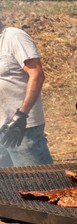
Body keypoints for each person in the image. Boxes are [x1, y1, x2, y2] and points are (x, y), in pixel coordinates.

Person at [0, 19, 53, 167]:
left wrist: (21, 115)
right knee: (7, 185)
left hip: (22, 128)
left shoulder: (14, 36)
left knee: (38, 181)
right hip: (1, 128)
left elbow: (36, 74)